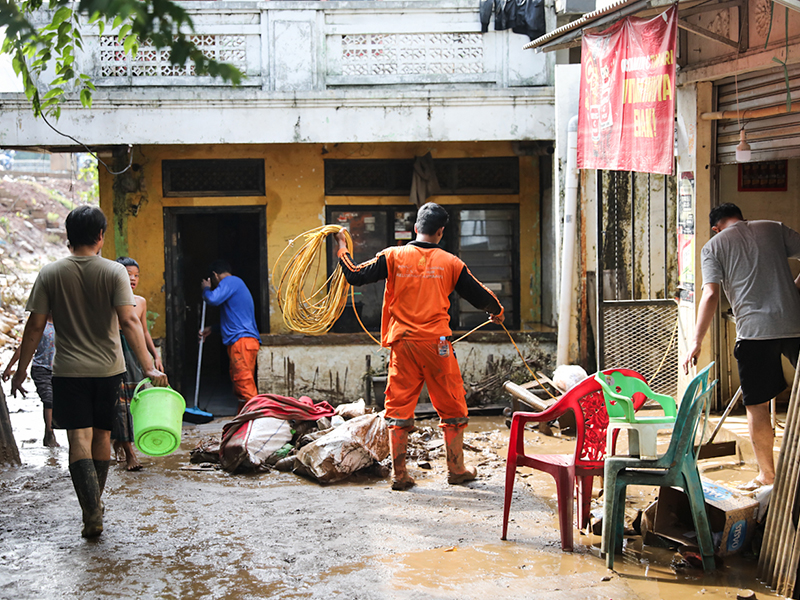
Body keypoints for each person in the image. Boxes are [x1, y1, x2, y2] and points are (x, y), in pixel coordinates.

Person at [10, 205, 168, 538]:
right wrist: (150, 367)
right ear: (100, 236)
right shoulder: (114, 272)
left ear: (69, 236)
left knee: (77, 439)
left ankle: (91, 511)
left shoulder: (50, 273)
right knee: (102, 436)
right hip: (109, 370)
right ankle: (95, 505)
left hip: (68, 370)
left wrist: (21, 369)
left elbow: (35, 326)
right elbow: (129, 322)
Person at [336, 202, 504, 491]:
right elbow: (480, 295)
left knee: (398, 408)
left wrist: (341, 247)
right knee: (452, 406)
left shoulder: (393, 256)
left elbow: (354, 274)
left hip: (404, 346)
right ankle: (456, 469)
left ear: (415, 228)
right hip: (437, 346)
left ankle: (399, 475)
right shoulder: (451, 263)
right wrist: (497, 311)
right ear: (440, 232)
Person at [683, 203, 800, 490]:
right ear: (741, 217)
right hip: (795, 325)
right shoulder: (773, 227)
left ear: (716, 227)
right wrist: (795, 288)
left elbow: (710, 295)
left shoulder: (713, 246)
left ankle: (767, 475)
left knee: (757, 405)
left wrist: (696, 341)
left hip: (753, 333)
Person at [112, 257, 164, 472]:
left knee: (137, 400)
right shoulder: (111, 299)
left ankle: (122, 443)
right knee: (121, 404)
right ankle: (129, 452)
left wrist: (155, 356)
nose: (132, 279)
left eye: (136, 275)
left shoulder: (140, 301)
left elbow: (143, 332)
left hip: (137, 354)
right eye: (128, 274)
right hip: (116, 351)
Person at [200, 259, 260, 414]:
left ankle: (257, 417)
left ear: (215, 275)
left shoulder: (231, 281)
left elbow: (213, 299)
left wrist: (206, 289)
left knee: (244, 382)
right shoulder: (237, 286)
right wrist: (212, 329)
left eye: (212, 281)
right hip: (244, 341)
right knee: (240, 383)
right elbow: (234, 320)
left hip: (242, 341)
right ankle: (244, 417)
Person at [3, 314, 57, 447]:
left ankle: (51, 432)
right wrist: (10, 367)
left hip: (60, 369)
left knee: (57, 401)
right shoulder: (39, 325)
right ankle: (49, 433)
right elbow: (24, 347)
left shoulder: (64, 323)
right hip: (41, 368)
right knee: (48, 400)